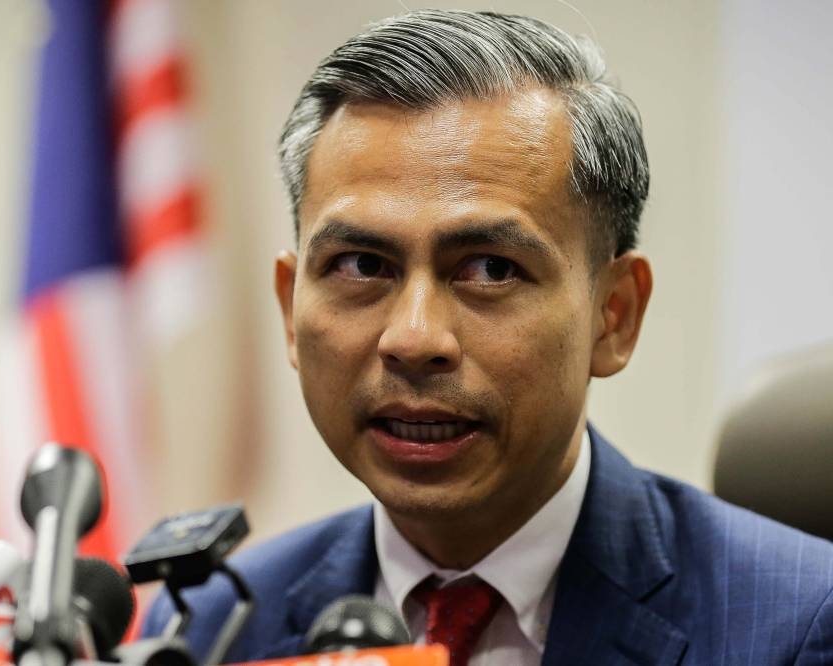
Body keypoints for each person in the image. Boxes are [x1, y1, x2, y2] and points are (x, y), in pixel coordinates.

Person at [143, 10, 833, 664]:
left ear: (614, 315)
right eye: (361, 266)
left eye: (490, 269)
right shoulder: (210, 627)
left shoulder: (795, 627)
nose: (413, 340)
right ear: (290, 308)